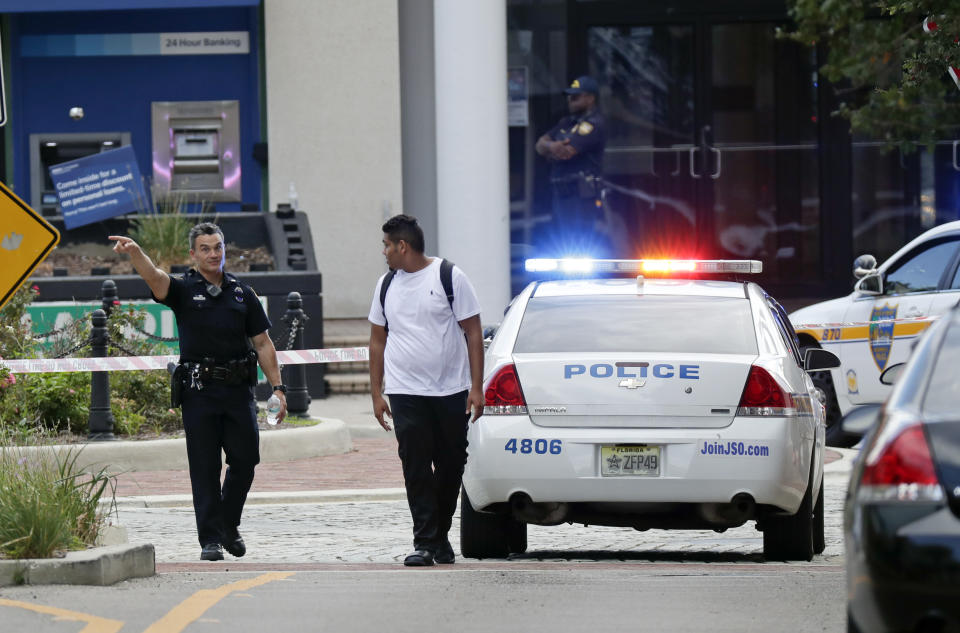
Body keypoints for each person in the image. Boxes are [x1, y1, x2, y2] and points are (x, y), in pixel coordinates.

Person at [109, 223, 287, 561]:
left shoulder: (241, 293)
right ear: (193, 254)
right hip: (199, 391)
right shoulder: (183, 290)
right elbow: (155, 278)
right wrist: (135, 253)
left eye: (217, 247)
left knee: (246, 459)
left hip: (238, 391)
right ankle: (211, 539)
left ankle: (227, 523)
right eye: (205, 248)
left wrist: (278, 387)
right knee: (204, 467)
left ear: (224, 250)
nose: (213, 254)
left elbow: (263, 343)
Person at [368, 214, 484, 567]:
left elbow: (474, 333)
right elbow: (376, 340)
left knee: (450, 465)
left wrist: (476, 387)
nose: (384, 252)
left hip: (451, 390)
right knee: (415, 465)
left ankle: (439, 537)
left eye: (387, 245)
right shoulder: (386, 285)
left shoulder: (449, 276)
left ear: (402, 246)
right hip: (405, 391)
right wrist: (377, 393)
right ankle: (424, 542)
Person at [535, 75, 608, 255]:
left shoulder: (594, 124)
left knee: (580, 245)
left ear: (590, 98)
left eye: (576, 96)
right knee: (563, 244)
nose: (570, 100)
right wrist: (552, 146)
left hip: (582, 195)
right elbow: (539, 145)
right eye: (569, 96)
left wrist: (551, 149)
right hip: (562, 193)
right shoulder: (566, 122)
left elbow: (567, 153)